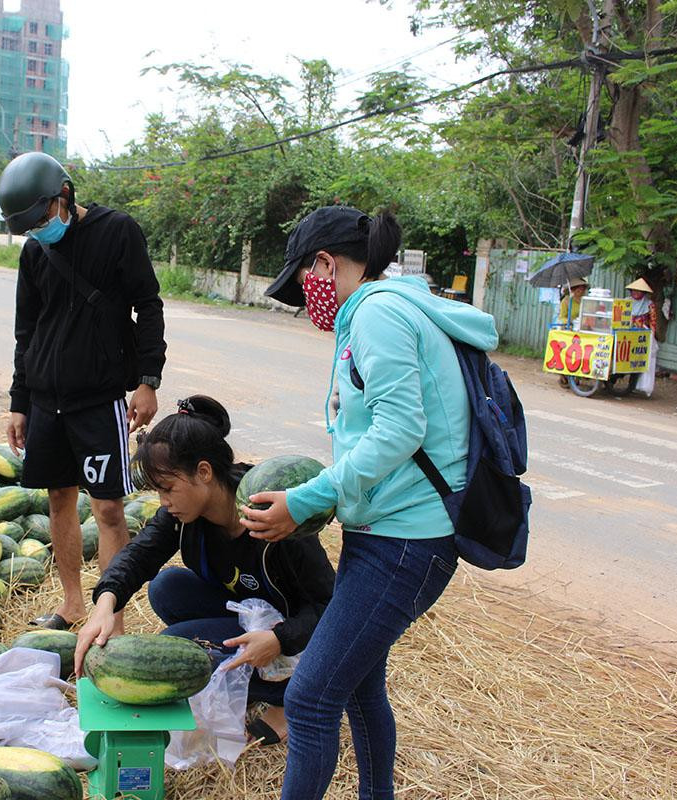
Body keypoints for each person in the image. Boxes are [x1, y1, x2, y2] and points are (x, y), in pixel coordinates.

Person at [249, 206, 498, 799]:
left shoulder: (378, 315)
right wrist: (325, 503)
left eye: (303, 283)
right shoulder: (386, 309)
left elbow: (400, 430)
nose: (305, 301)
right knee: (358, 688)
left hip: (406, 542)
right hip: (387, 532)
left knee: (309, 697)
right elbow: (380, 438)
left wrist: (309, 496)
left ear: (325, 265)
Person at [74, 395, 335, 744]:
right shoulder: (182, 516)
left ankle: (285, 697)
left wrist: (279, 639)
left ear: (204, 472)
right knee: (166, 587)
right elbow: (138, 555)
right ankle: (252, 677)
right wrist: (105, 604)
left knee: (176, 645)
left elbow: (330, 606)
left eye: (168, 489)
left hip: (294, 632)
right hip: (250, 612)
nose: (163, 502)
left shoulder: (271, 518)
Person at [0, 151, 166, 631]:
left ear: (65, 195)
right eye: (29, 226)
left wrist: (148, 380)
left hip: (100, 398)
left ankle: (109, 615)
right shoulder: (34, 253)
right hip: (47, 401)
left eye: (43, 218)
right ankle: (72, 604)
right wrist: (19, 402)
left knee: (109, 508)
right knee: (58, 499)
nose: (39, 230)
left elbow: (148, 306)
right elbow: (26, 332)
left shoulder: (118, 232)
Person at [626, 277, 657, 397]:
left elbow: (653, 322)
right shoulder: (626, 301)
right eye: (634, 291)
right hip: (627, 334)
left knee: (639, 360)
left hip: (642, 336)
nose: (635, 293)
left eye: (638, 291)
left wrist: (651, 337)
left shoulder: (649, 305)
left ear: (643, 293)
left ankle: (634, 384)